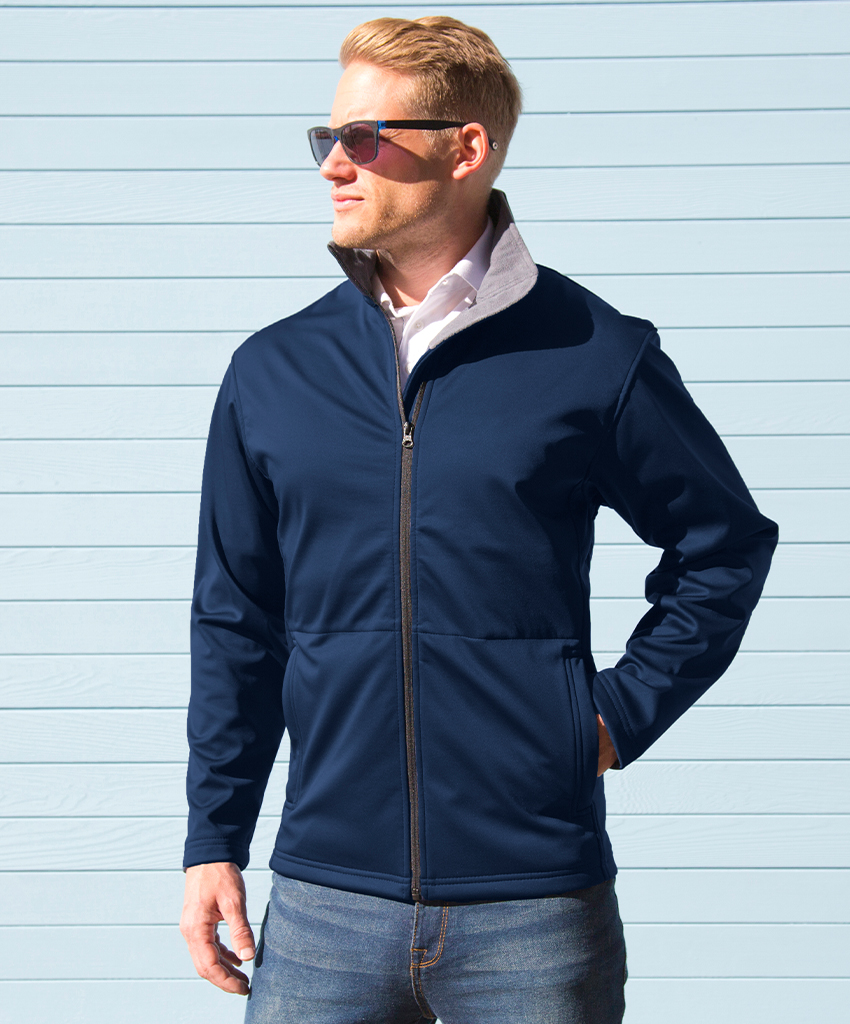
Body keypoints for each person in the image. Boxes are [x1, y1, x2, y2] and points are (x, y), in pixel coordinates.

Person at [179, 15, 778, 1023]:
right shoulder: (273, 371)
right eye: (326, 138)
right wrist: (213, 839)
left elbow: (723, 547)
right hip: (323, 904)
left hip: (534, 907)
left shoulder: (596, 355)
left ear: (466, 149)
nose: (333, 166)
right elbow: (237, 619)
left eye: (364, 138)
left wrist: (612, 716)